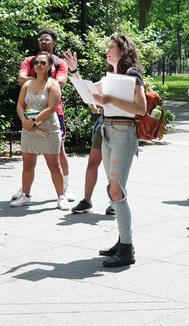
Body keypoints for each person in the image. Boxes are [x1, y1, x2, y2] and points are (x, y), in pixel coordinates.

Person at [64, 35, 147, 268]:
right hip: (108, 130)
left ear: (123, 50)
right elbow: (88, 94)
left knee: (117, 190)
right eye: (107, 47)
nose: (107, 51)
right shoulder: (109, 76)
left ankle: (127, 249)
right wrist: (74, 72)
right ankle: (122, 242)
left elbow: (140, 108)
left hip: (123, 132)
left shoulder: (131, 75)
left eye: (111, 47)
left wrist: (109, 99)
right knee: (113, 190)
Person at [13, 29, 74, 201]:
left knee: (59, 150)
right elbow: (20, 78)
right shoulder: (29, 60)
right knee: (29, 156)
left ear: (54, 43)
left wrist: (41, 80)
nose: (43, 42)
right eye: (40, 40)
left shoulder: (60, 63)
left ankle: (65, 187)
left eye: (47, 40)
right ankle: (25, 190)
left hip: (54, 112)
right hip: (29, 112)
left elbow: (60, 82)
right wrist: (40, 80)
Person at [70, 105, 115, 215]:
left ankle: (115, 201)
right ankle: (87, 201)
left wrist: (100, 109)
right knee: (92, 163)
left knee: (113, 166)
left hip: (121, 126)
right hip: (102, 125)